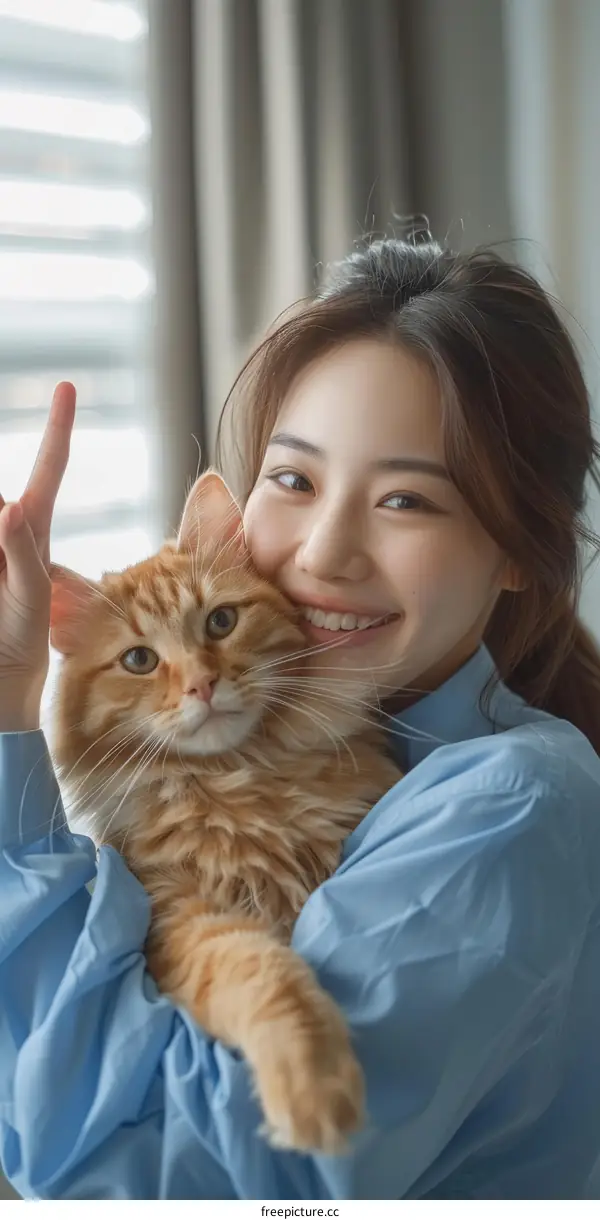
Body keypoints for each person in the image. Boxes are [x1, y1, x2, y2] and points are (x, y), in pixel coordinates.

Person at [1, 238, 600, 1201]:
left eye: (406, 499)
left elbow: (171, 1180)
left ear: (521, 550)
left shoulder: (504, 801)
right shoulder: (346, 736)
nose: (324, 555)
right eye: (293, 480)